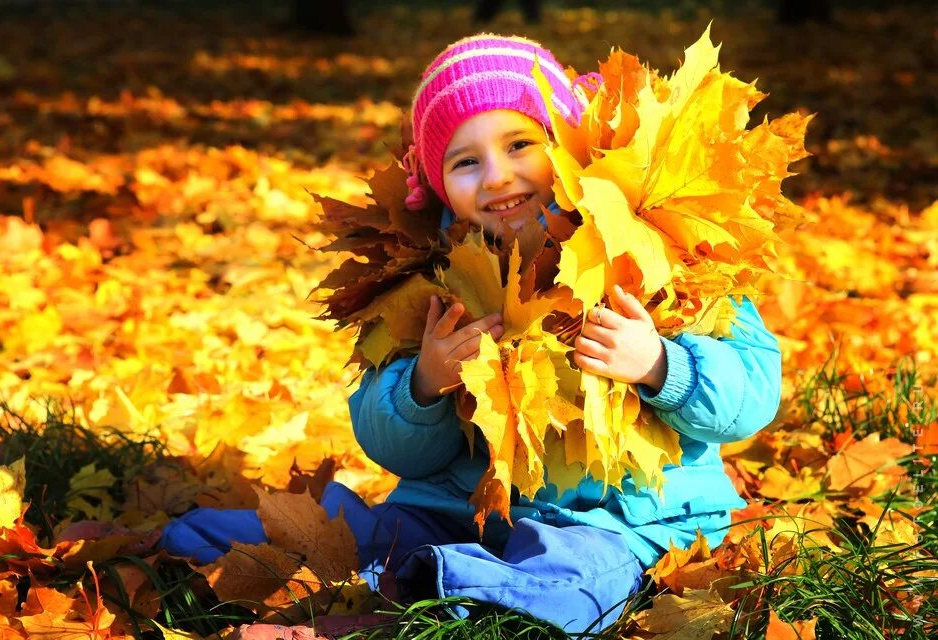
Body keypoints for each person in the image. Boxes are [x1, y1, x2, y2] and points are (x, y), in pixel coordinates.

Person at [161, 34, 783, 635]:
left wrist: (661, 367)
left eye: (520, 144)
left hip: (620, 522)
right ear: (436, 187)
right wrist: (424, 387)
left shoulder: (654, 253)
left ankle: (429, 593)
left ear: (571, 143)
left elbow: (752, 391)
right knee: (354, 533)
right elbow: (388, 442)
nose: (497, 177)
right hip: (453, 513)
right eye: (465, 162)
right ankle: (209, 553)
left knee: (581, 576)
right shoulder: (429, 280)